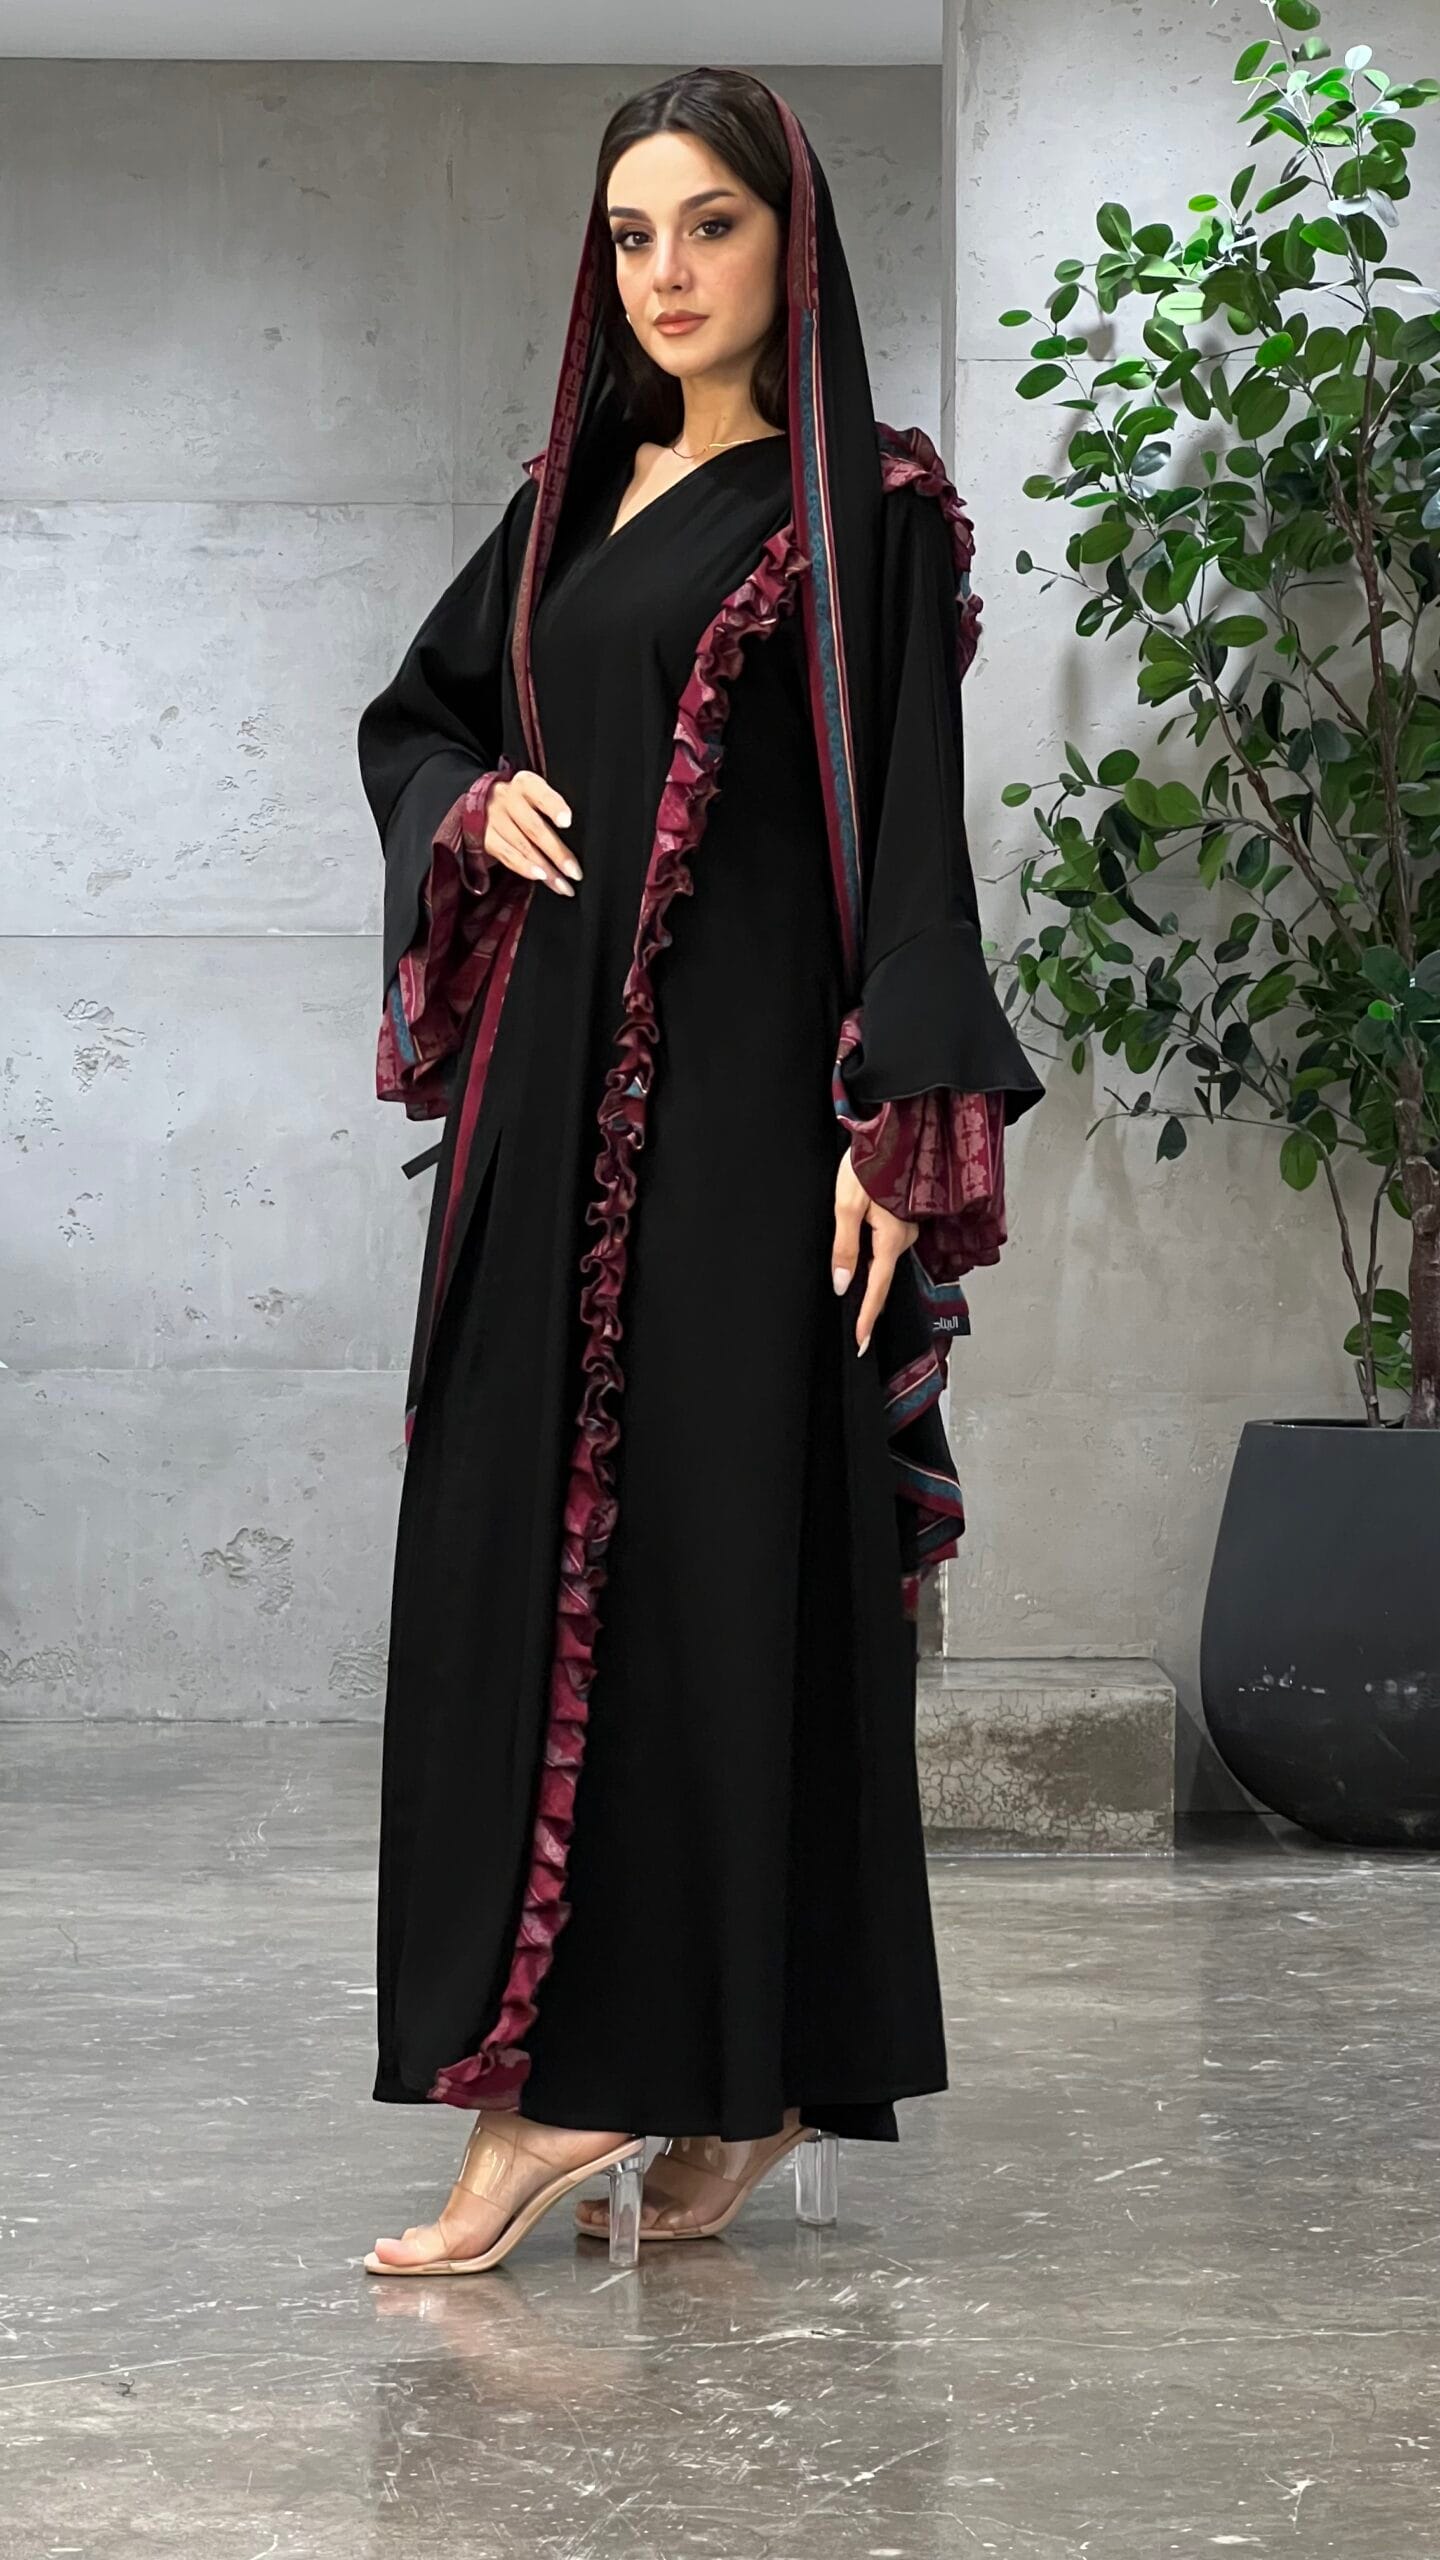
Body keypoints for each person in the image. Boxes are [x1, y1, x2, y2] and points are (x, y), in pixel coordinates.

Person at [355, 63, 1043, 2278]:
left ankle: (573, 2093)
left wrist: (894, 1118)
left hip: (753, 1129)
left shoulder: (864, 509)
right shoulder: (568, 498)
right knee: (514, 1558)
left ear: (789, 241)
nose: (667, 273)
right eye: (633, 234)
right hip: (546, 1117)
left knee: (718, 1576)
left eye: (710, 226)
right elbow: (419, 720)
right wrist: (474, 807)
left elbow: (912, 840)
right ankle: (736, 2082)